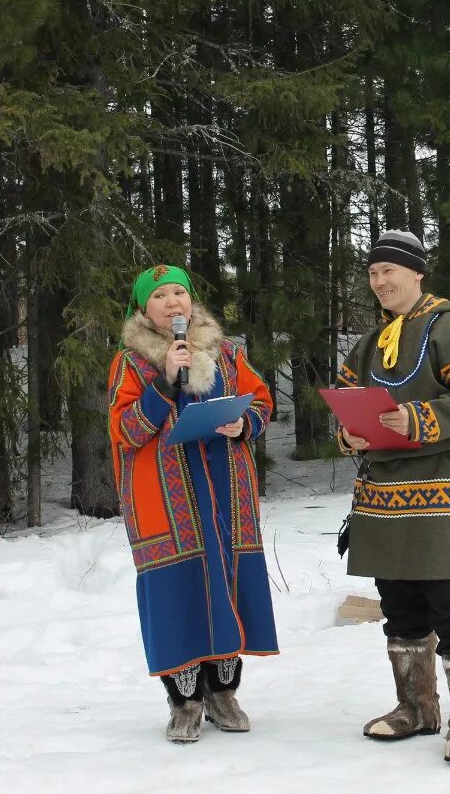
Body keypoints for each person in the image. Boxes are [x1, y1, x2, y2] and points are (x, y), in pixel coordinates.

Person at [336, 230, 450, 765]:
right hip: (384, 493)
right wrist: (348, 435)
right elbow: (344, 405)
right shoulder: (368, 345)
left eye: (389, 271)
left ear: (416, 273)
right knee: (400, 605)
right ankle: (416, 707)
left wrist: (418, 418)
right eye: (372, 273)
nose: (379, 281)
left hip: (439, 485)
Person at [107, 264, 278, 743]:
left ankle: (223, 691)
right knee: (177, 589)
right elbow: (126, 431)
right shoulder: (130, 364)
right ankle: (184, 700)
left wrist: (244, 424)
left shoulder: (225, 353)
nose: (172, 302)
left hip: (225, 488)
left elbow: (261, 401)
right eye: (160, 296)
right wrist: (164, 385)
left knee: (225, 579)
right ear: (144, 308)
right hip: (166, 497)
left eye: (179, 293)